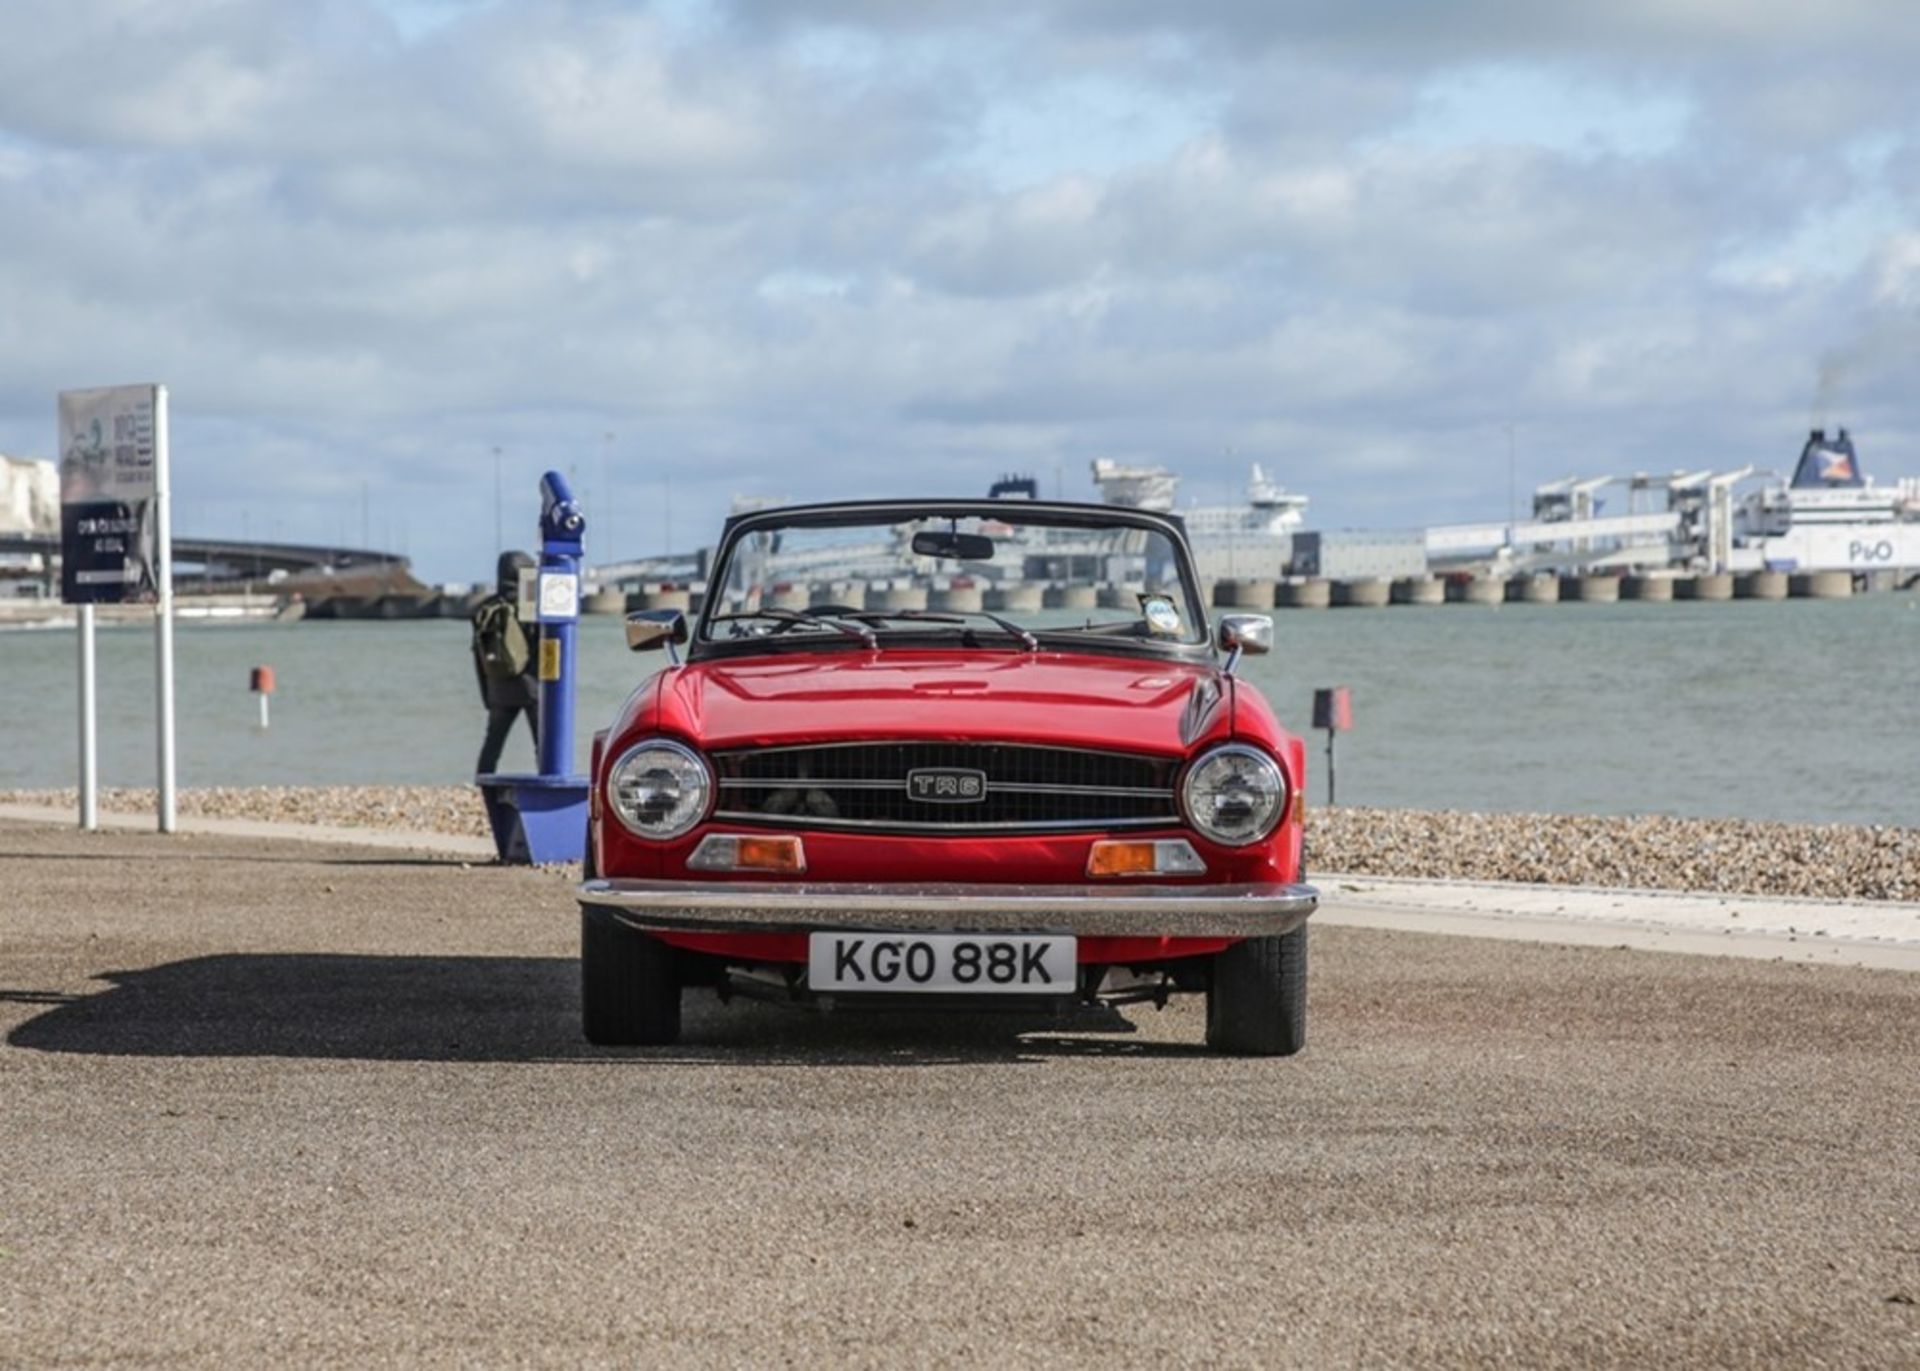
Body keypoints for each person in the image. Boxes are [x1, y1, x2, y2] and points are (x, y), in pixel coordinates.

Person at [471, 551, 540, 774]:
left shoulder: (485, 609)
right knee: (543, 746)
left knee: (492, 747)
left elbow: (479, 657)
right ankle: (547, 791)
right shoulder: (531, 608)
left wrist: (488, 696)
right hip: (531, 689)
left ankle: (484, 789)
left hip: (499, 688)